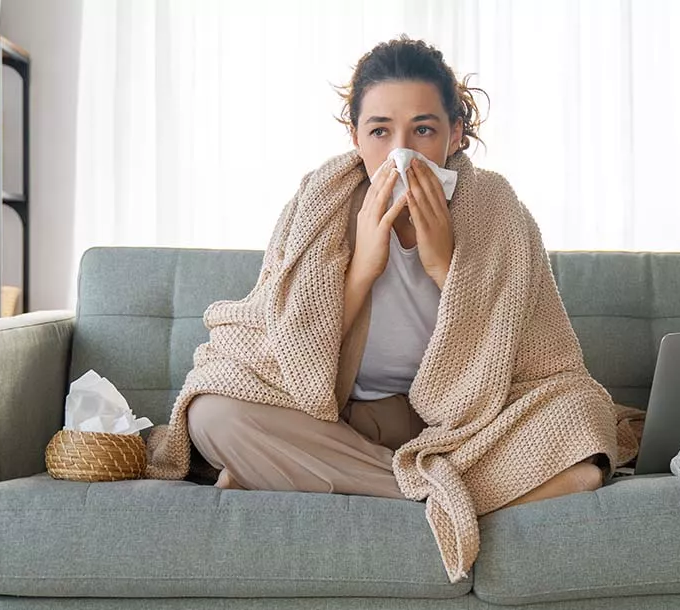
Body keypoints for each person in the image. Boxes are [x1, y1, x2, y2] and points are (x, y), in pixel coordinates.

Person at [184, 36, 605, 507]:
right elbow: (288, 353)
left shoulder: (497, 209)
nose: (401, 152)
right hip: (346, 420)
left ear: (456, 133)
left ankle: (298, 474)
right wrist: (362, 269)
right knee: (213, 415)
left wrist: (446, 266)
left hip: (465, 423)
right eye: (381, 132)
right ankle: (453, 495)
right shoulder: (320, 203)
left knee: (580, 414)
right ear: (356, 137)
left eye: (423, 130)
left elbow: (537, 359)